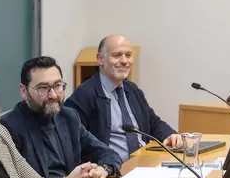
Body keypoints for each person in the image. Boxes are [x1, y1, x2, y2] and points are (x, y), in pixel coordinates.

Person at [0, 56, 122, 178]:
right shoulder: (8, 128)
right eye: (43, 88)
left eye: (58, 86)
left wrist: (102, 170)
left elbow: (108, 153)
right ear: (24, 91)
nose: (53, 95)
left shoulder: (68, 116)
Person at [65, 35, 183, 163]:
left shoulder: (132, 89)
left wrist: (169, 135)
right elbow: (75, 141)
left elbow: (153, 122)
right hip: (113, 171)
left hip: (145, 164)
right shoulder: (84, 95)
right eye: (117, 55)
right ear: (100, 59)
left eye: (128, 55)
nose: (124, 61)